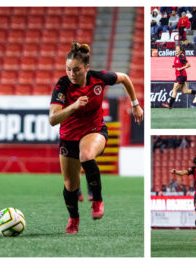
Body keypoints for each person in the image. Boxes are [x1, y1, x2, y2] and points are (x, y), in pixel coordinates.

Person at [49, 41, 143, 234]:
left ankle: (97, 200)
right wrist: (73, 106)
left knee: (86, 155)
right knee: (70, 185)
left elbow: (124, 78)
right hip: (68, 138)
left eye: (76, 70)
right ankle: (74, 218)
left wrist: (135, 104)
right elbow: (52, 119)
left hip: (95, 131)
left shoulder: (98, 78)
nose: (71, 74)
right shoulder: (62, 85)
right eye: (68, 69)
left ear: (87, 68)